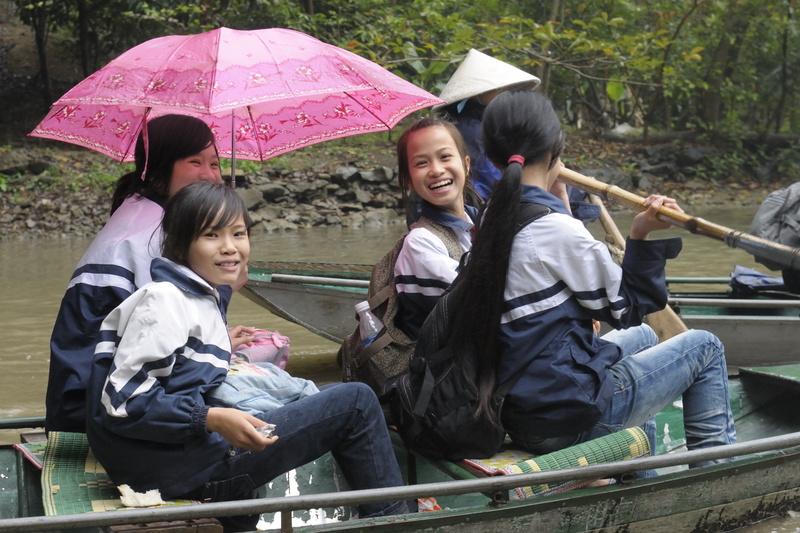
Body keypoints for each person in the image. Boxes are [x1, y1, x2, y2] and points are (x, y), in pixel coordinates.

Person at [86, 182, 409, 531]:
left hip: (172, 459)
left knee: (329, 394)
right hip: (174, 469)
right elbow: (123, 401)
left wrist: (225, 297)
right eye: (212, 235)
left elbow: (181, 369)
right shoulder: (164, 300)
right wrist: (211, 419)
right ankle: (396, 524)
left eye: (238, 234)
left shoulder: (196, 298)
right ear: (182, 244)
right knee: (356, 400)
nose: (230, 247)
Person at [449, 90, 735, 468]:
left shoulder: (490, 217)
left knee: (648, 337)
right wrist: (640, 234)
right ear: (555, 146)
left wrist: (562, 203)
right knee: (706, 347)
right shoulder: (553, 229)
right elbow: (628, 307)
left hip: (518, 410)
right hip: (564, 419)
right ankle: (715, 476)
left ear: (492, 152)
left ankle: (636, 474)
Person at [46, 114, 254, 433]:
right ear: (157, 166)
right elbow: (160, 325)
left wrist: (219, 334)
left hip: (95, 395)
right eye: (194, 161)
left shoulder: (145, 210)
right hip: (93, 410)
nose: (210, 176)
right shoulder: (153, 234)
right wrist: (224, 292)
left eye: (214, 164)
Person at [435, 49, 599, 223]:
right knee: (576, 191)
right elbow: (495, 179)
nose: (504, 92)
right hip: (491, 201)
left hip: (491, 199)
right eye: (498, 89)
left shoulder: (467, 122)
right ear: (475, 95)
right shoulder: (476, 131)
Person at [392, 117, 479, 340]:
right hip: (446, 371)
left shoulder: (481, 222)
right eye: (421, 163)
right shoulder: (420, 242)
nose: (436, 170)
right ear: (409, 181)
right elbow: (485, 301)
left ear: (466, 164)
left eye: (445, 157)